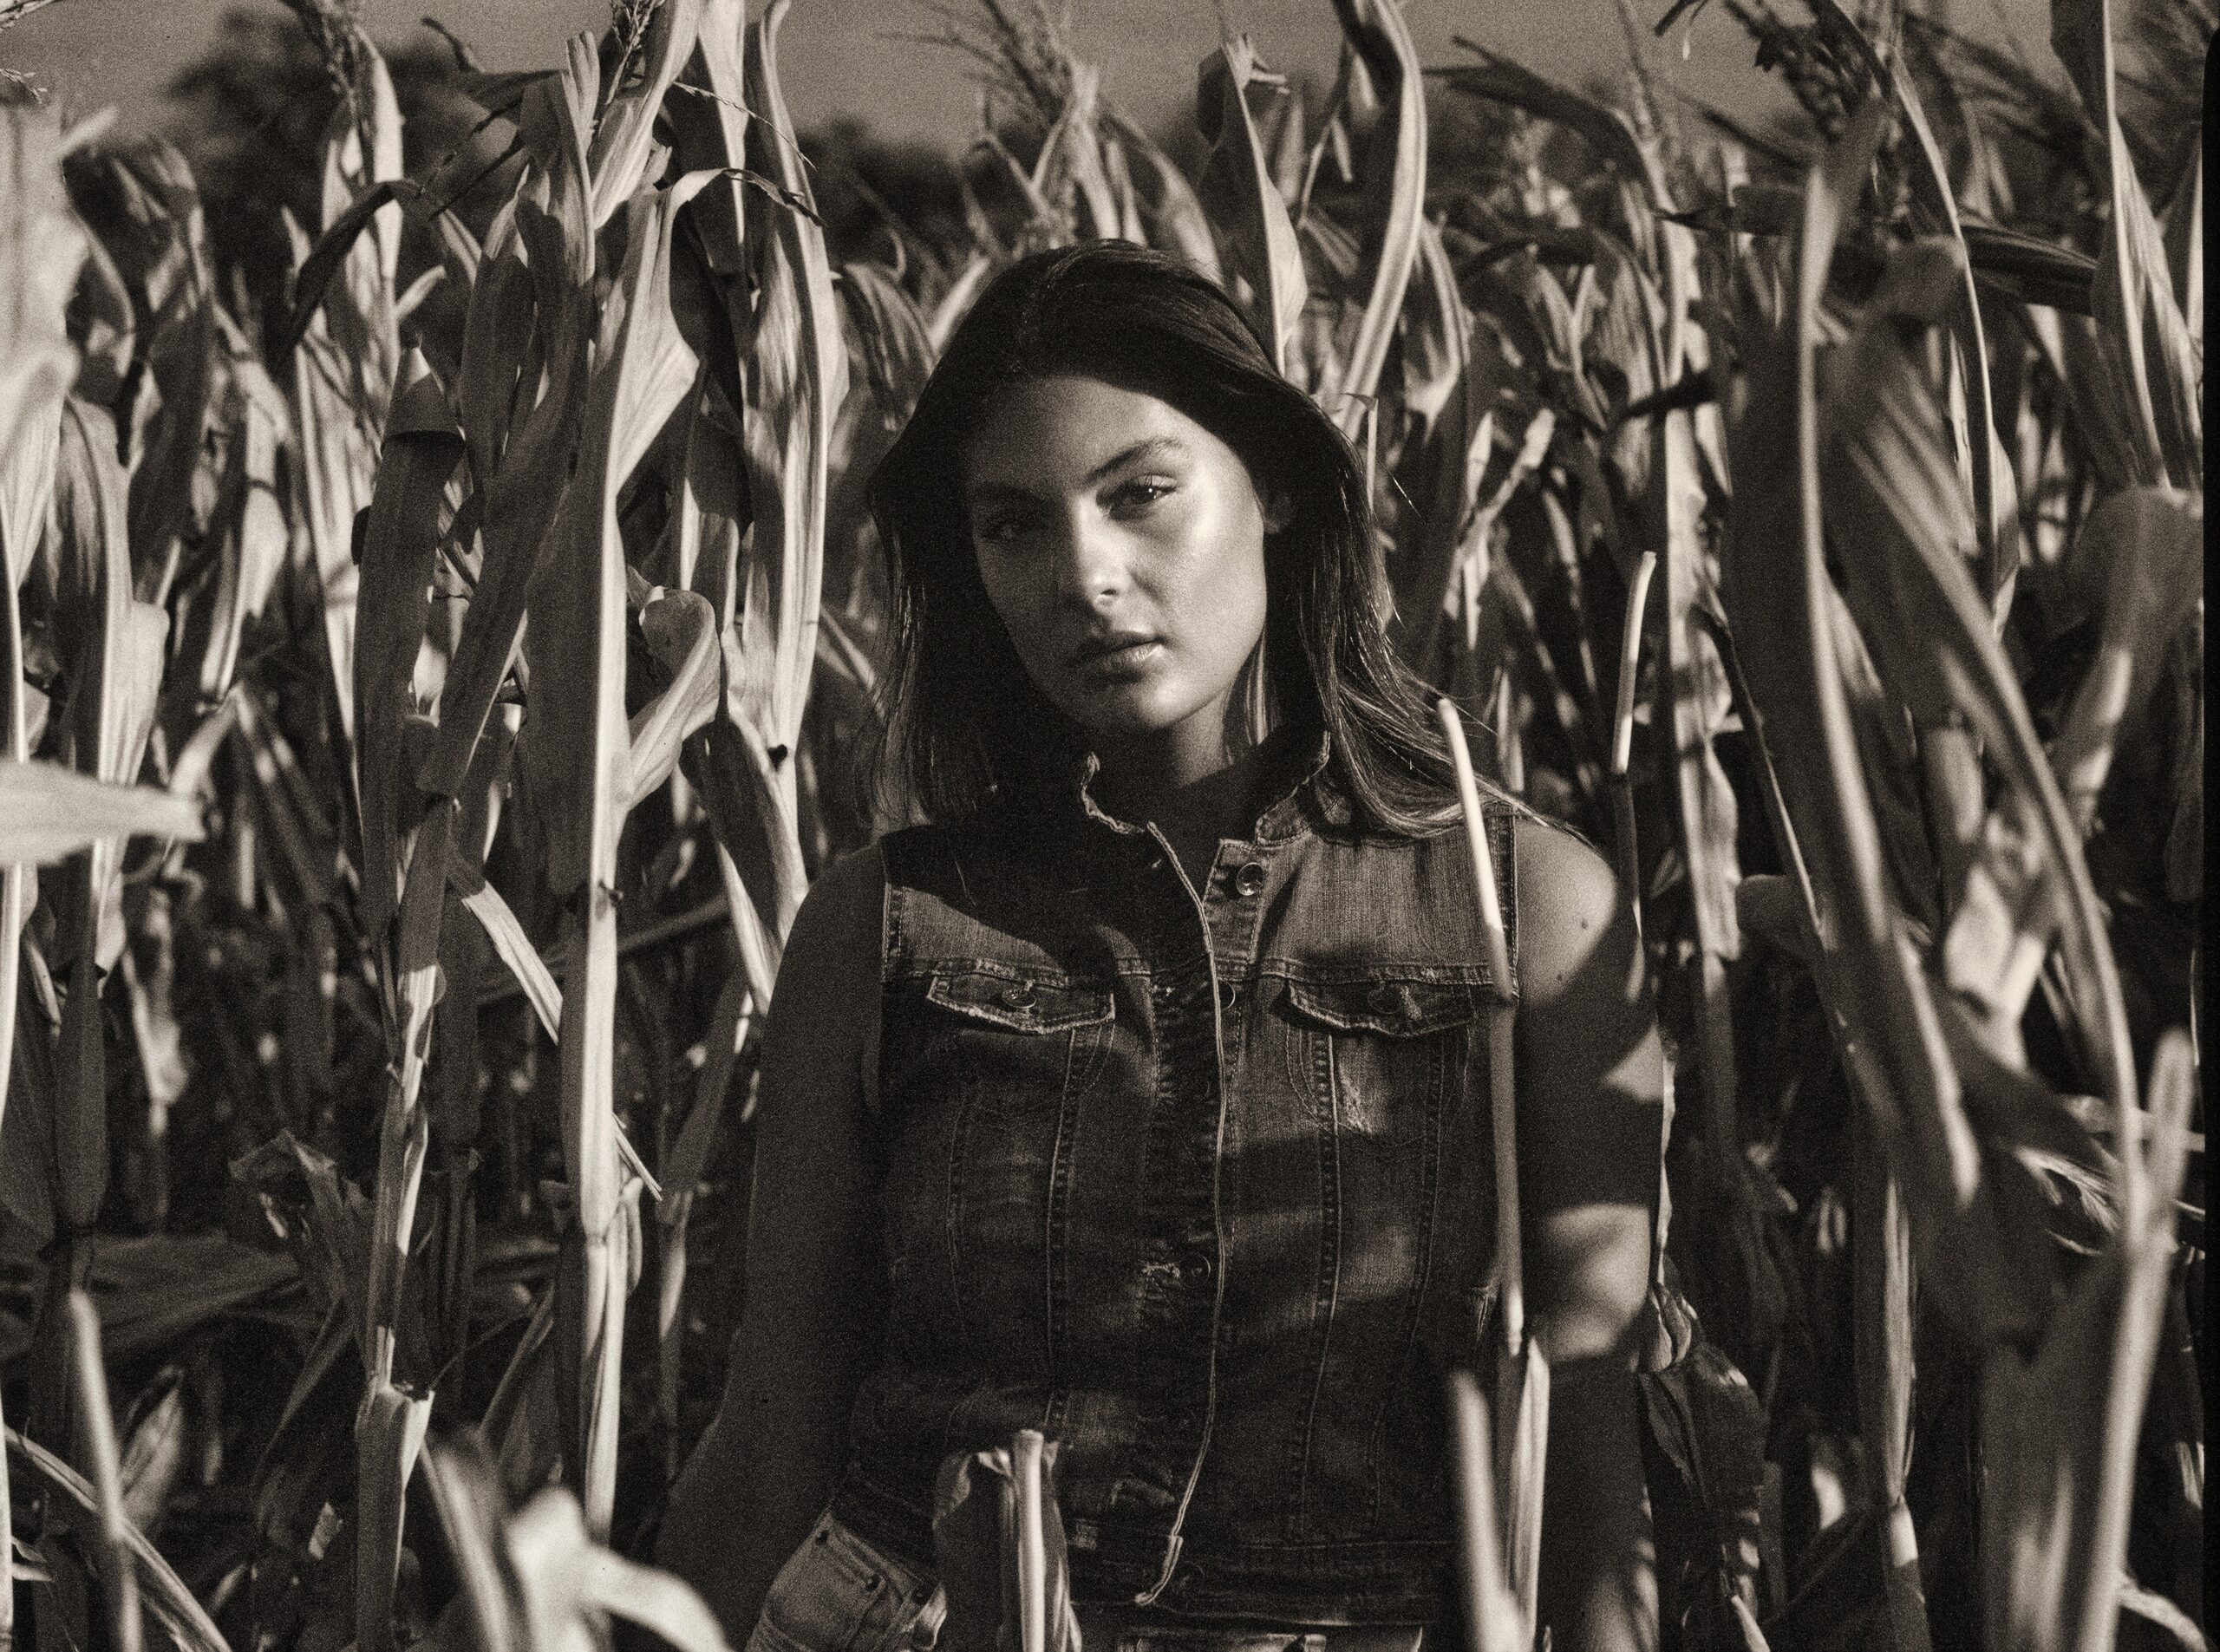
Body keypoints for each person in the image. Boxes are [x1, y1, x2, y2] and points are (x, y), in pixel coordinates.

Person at [656, 242, 1662, 1652]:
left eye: (1139, 494)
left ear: (1278, 484)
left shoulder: (1526, 911)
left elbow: (1587, 1451)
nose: (1086, 574)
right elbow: (776, 1429)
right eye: (1015, 526)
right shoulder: (885, 924)